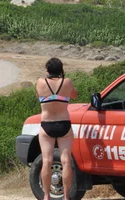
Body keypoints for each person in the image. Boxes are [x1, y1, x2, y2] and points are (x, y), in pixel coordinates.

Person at [36, 58, 78, 200]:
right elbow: (74, 95)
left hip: (47, 124)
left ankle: (47, 196)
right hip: (64, 123)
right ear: (61, 69)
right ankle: (66, 196)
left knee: (47, 161)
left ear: (47, 69)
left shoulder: (41, 82)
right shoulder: (67, 82)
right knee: (66, 160)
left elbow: (39, 95)